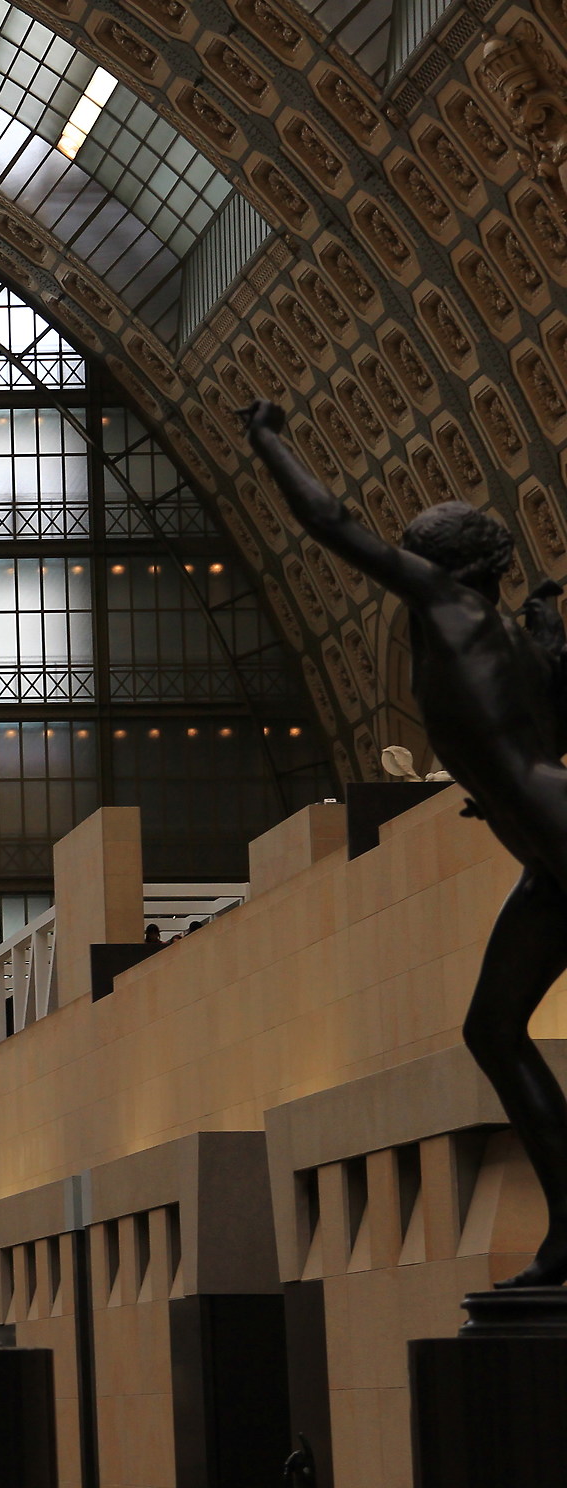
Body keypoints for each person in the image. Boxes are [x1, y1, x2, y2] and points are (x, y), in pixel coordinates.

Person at [245, 398, 567, 1284]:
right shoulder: (512, 643)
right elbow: (523, 741)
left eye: (413, 555)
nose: (402, 566)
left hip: (554, 833)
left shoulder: (445, 603)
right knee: (491, 1029)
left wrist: (270, 440)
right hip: (545, 846)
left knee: (494, 1030)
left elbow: (329, 521)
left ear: (441, 566)